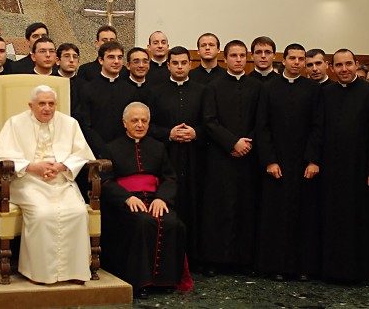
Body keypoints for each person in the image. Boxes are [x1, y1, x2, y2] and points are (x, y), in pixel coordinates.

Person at [0, 85, 95, 284]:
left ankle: (74, 271)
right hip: (27, 181)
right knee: (42, 214)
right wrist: (32, 167)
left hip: (61, 180)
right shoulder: (15, 123)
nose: (47, 108)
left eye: (51, 104)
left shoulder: (69, 123)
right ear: (31, 105)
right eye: (42, 104)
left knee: (78, 212)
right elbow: (0, 155)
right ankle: (40, 273)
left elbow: (82, 153)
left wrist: (62, 166)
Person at [101, 102, 187, 298]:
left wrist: (162, 199)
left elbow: (169, 178)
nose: (139, 124)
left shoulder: (158, 147)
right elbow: (105, 181)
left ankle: (167, 281)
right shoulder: (111, 148)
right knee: (143, 222)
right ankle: (141, 282)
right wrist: (126, 197)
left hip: (155, 199)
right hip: (127, 202)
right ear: (125, 123)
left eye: (144, 121)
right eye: (134, 120)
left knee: (173, 223)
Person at [319, 49, 369, 282]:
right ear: (332, 68)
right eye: (339, 65)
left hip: (362, 171)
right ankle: (334, 270)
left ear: (356, 64)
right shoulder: (326, 93)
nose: (344, 69)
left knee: (361, 221)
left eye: (348, 64)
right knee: (335, 221)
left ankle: (362, 271)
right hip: (333, 170)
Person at [255, 43, 322, 281]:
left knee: (304, 216)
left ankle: (304, 267)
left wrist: (313, 160)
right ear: (283, 60)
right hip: (277, 164)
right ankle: (277, 267)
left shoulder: (313, 89)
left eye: (301, 59)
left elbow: (318, 127)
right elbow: (262, 128)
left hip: (304, 165)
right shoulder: (269, 88)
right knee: (277, 216)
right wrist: (270, 160)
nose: (297, 62)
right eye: (292, 58)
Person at [200, 40, 262, 275]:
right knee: (220, 208)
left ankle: (244, 260)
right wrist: (232, 143)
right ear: (225, 59)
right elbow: (209, 121)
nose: (238, 60)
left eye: (241, 56)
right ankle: (217, 260)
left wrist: (247, 143)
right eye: (233, 56)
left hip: (248, 157)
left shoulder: (256, 87)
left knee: (246, 208)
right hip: (221, 157)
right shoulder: (213, 87)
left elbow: (261, 121)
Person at [148, 46, 205, 271]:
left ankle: (194, 260)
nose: (180, 67)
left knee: (194, 205)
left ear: (190, 64)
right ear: (168, 65)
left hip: (195, 158)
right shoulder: (155, 91)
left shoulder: (202, 91)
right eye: (175, 63)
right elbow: (148, 126)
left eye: (184, 62)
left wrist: (195, 133)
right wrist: (169, 133)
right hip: (166, 156)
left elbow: (209, 122)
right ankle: (166, 260)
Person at [79, 41, 140, 157]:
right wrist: (101, 148)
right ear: (101, 60)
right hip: (95, 151)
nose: (116, 61)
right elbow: (85, 125)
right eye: (111, 57)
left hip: (125, 149)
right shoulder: (87, 89)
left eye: (120, 57)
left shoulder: (130, 90)